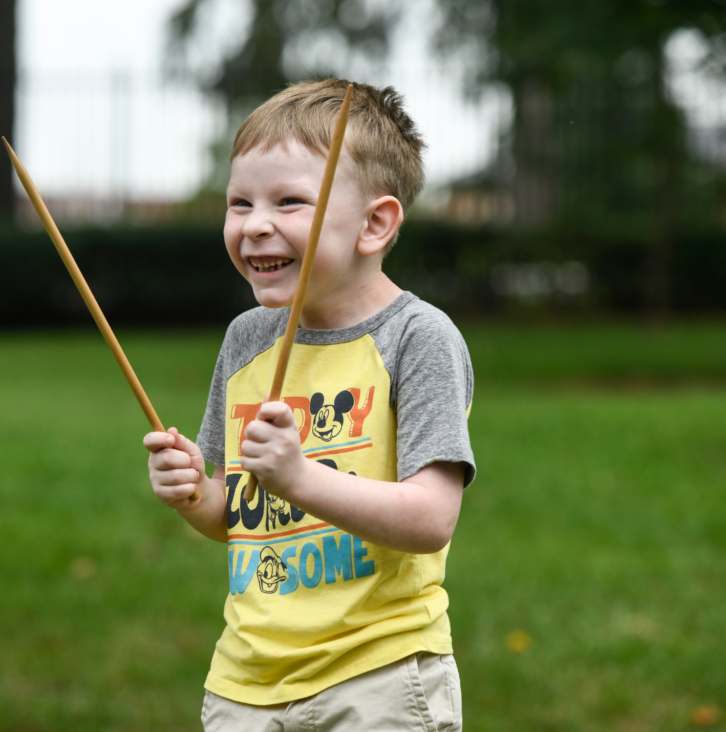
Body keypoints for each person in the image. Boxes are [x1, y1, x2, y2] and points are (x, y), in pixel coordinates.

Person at [143, 78, 475, 731]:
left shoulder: (418, 338)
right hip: (246, 680)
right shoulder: (246, 340)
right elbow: (232, 515)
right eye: (240, 202)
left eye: (289, 202)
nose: (256, 223)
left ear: (374, 224)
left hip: (376, 674)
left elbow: (433, 518)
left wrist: (300, 478)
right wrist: (193, 494)